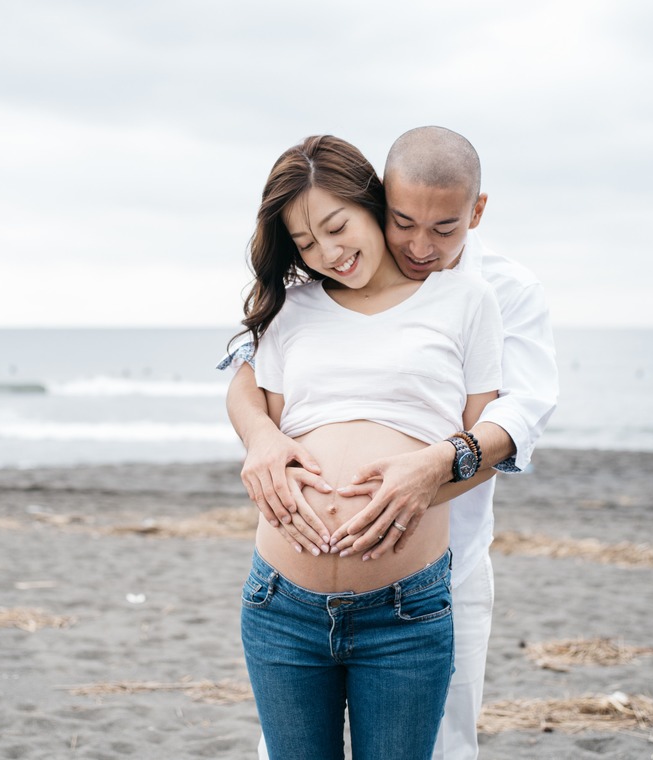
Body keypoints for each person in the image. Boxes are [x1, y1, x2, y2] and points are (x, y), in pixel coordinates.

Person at [222, 126, 559, 760]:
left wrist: (433, 468)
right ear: (382, 200)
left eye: (443, 228)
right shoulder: (299, 302)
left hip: (436, 573)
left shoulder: (495, 293)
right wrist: (262, 441)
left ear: (476, 213)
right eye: (403, 221)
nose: (418, 245)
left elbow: (519, 416)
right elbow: (249, 376)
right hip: (287, 597)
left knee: (448, 745)